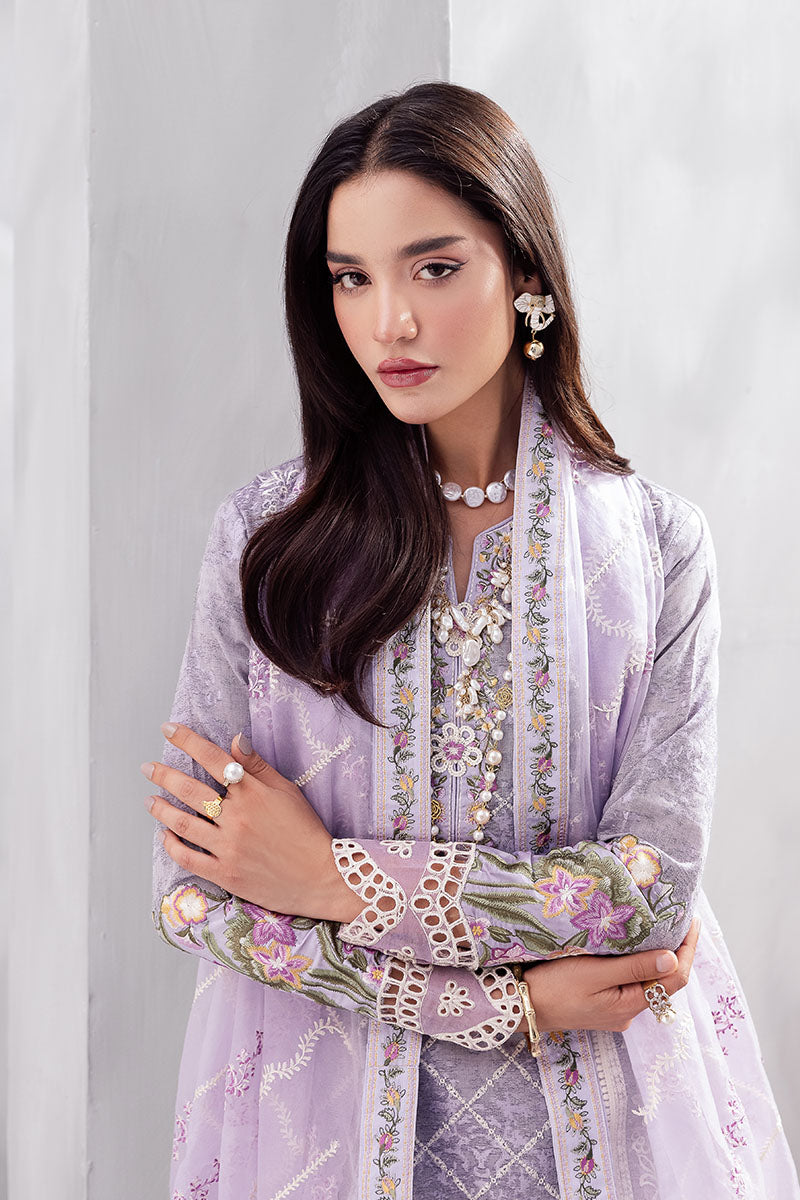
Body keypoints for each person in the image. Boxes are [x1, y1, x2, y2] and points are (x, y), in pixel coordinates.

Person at [143, 81, 799, 1199]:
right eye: (351, 278)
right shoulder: (265, 544)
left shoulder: (654, 549)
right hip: (324, 1125)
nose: (387, 322)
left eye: (433, 269)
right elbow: (193, 898)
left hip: (607, 1120)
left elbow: (641, 893)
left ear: (526, 274)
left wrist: (328, 876)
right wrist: (506, 1002)